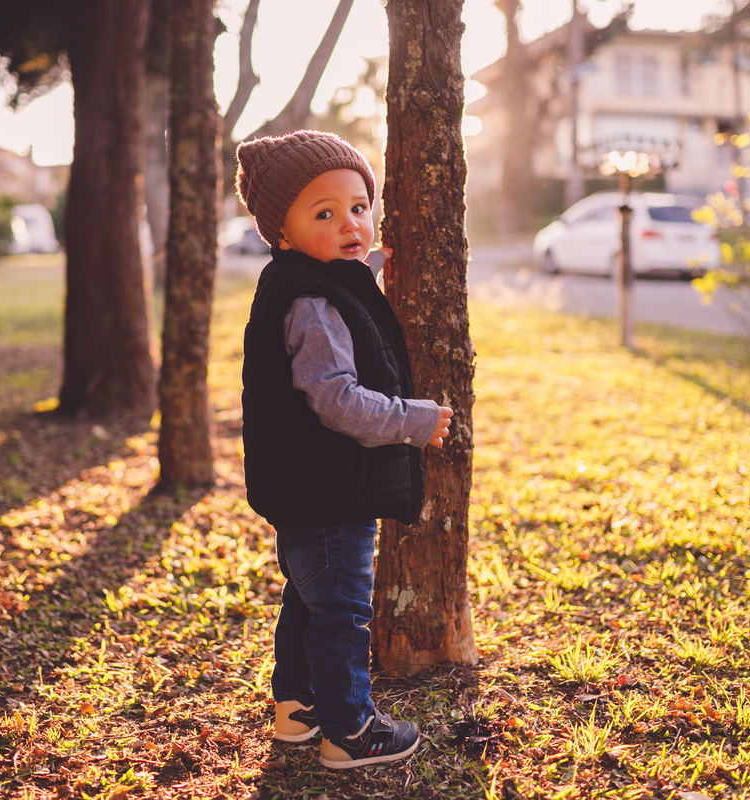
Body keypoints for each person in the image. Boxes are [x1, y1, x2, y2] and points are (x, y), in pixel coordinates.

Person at [235, 130, 453, 770]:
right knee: (341, 612)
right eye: (324, 214)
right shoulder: (311, 301)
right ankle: (349, 731)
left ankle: (298, 709)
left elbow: (344, 285)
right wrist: (414, 421)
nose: (350, 225)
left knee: (308, 598)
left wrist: (373, 267)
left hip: (307, 486)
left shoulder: (312, 280)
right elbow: (338, 400)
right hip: (329, 490)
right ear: (282, 233)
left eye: (358, 207)